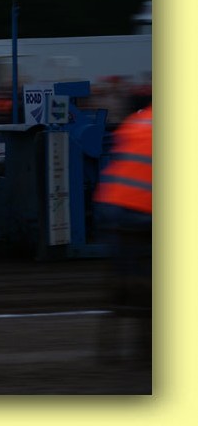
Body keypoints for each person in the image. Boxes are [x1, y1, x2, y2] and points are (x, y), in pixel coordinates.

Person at [93, 104, 152, 362]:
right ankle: (146, 347)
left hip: (111, 205)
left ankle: (108, 346)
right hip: (143, 210)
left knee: (123, 273)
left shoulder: (137, 120)